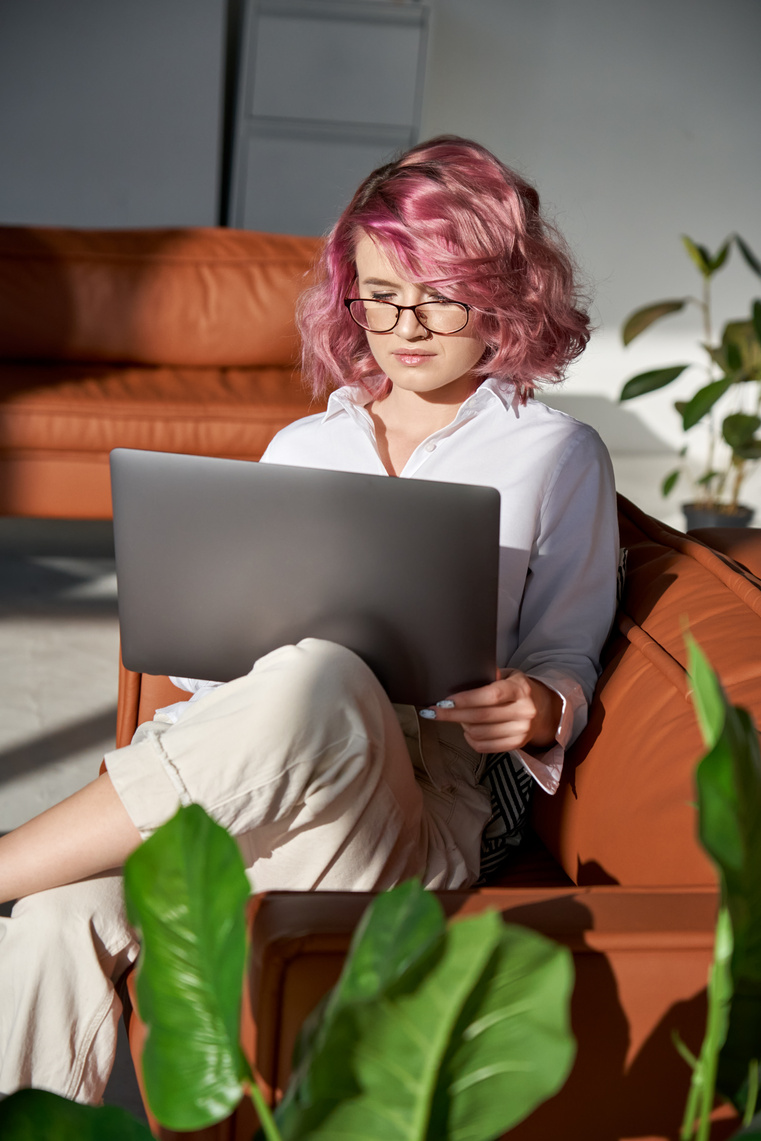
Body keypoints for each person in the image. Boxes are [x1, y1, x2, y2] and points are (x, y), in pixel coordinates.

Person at [0, 136, 619, 1103]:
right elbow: (216, 683)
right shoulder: (302, 443)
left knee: (322, 671)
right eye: (379, 293)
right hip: (257, 779)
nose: (404, 324)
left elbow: (565, 648)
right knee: (49, 919)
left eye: (439, 292)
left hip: (416, 798)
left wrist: (542, 703)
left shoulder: (555, 454)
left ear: (503, 290)